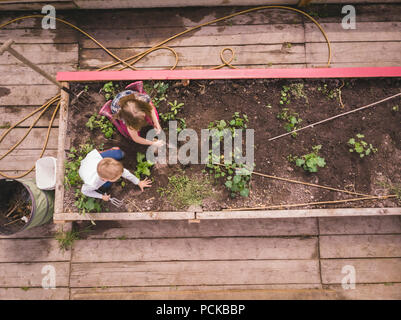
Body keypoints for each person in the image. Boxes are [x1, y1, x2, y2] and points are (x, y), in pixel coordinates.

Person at [100, 81, 164, 147]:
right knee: (126, 133)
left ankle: (135, 89)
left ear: (142, 107)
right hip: (116, 107)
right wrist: (152, 143)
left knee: (153, 114)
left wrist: (156, 123)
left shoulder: (142, 100)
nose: (143, 118)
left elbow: (150, 108)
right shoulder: (126, 117)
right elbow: (135, 138)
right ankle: (109, 112)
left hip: (131, 94)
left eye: (142, 115)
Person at [78, 147, 151, 201]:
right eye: (118, 177)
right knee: (107, 186)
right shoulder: (93, 184)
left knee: (119, 154)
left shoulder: (105, 165)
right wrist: (101, 196)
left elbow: (125, 173)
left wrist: (138, 182)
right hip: (85, 169)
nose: (121, 176)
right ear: (105, 179)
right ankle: (107, 153)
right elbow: (84, 191)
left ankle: (109, 151)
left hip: (93, 159)